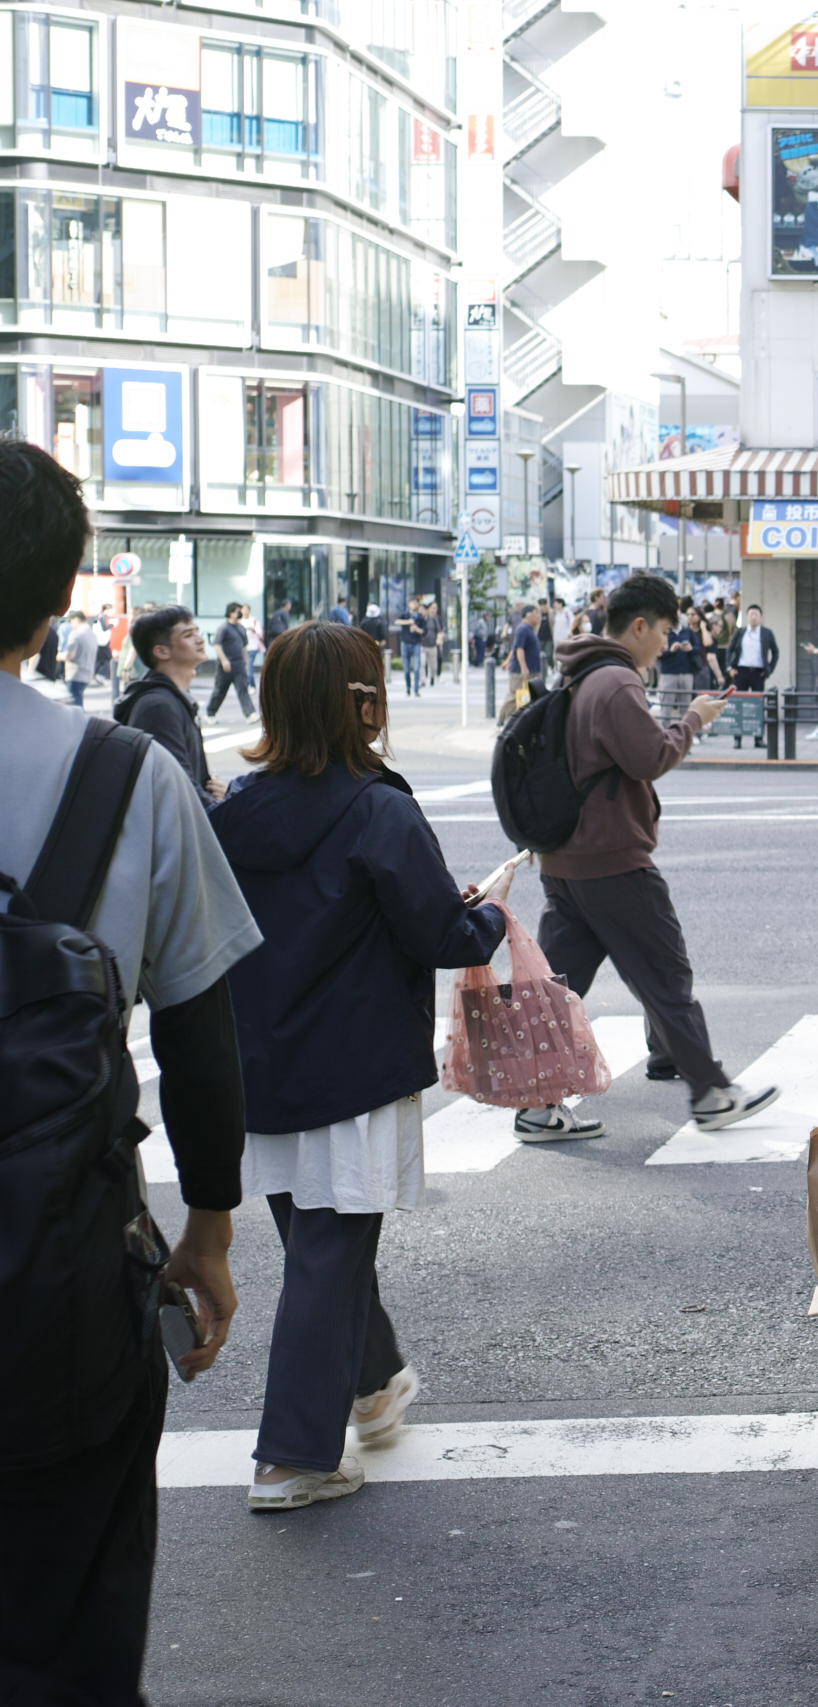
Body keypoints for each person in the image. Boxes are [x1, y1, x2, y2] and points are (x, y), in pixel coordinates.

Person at [0, 441, 260, 1702]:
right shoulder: (126, 775)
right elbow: (201, 1033)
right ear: (64, 599)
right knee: (70, 1627)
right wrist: (207, 1230)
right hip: (58, 1277)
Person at [210, 622, 510, 1510]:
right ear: (367, 703)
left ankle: (373, 1385)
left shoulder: (233, 811)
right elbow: (442, 934)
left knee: (322, 1243)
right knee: (330, 1246)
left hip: (259, 1062)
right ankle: (292, 1455)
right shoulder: (381, 808)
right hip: (353, 1059)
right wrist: (490, 912)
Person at [521, 575, 777, 1138]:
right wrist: (695, 719)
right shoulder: (616, 681)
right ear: (638, 626)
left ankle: (538, 1104)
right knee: (665, 974)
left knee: (558, 989)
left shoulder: (577, 672)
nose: (666, 642)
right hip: (612, 859)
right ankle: (711, 1092)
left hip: (566, 861)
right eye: (663, 631)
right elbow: (650, 757)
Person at [115, 605, 222, 809]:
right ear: (161, 651)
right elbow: (179, 786)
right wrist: (221, 808)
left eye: (197, 632)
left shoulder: (173, 698)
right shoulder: (157, 706)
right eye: (188, 635)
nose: (199, 639)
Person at [210, 603, 256, 719]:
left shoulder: (241, 628)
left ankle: (250, 713)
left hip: (238, 664)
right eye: (237, 611)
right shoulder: (223, 628)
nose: (240, 613)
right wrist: (224, 660)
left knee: (243, 689)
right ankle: (210, 713)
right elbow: (216, 645)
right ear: (230, 613)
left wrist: (245, 662)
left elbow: (244, 646)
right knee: (220, 690)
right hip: (225, 666)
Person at [659, 606, 706, 720]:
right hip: (668, 674)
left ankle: (685, 730)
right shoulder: (663, 632)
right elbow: (657, 654)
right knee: (666, 708)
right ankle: (664, 730)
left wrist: (689, 648)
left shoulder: (687, 631)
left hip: (686, 673)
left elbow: (698, 649)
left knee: (685, 708)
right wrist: (670, 650)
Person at [729, 604, 778, 693]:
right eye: (751, 615)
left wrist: (769, 670)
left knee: (758, 698)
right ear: (747, 616)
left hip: (758, 672)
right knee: (740, 698)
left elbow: (775, 652)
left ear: (761, 617)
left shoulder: (767, 633)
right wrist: (730, 667)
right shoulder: (740, 632)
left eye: (756, 615)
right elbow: (730, 649)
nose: (754, 617)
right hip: (741, 671)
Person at [507, 603, 543, 710]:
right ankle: (503, 718)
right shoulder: (522, 629)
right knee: (514, 698)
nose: (538, 616)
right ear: (528, 614)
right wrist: (523, 667)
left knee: (532, 697)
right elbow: (519, 648)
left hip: (533, 670)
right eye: (536, 613)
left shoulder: (529, 629)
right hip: (521, 672)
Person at [62, 607, 100, 707]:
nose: (71, 624)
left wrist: (60, 656)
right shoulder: (92, 634)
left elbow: (70, 655)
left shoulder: (75, 634)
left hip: (74, 674)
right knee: (78, 702)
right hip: (87, 673)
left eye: (71, 621)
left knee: (75, 705)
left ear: (76, 619)